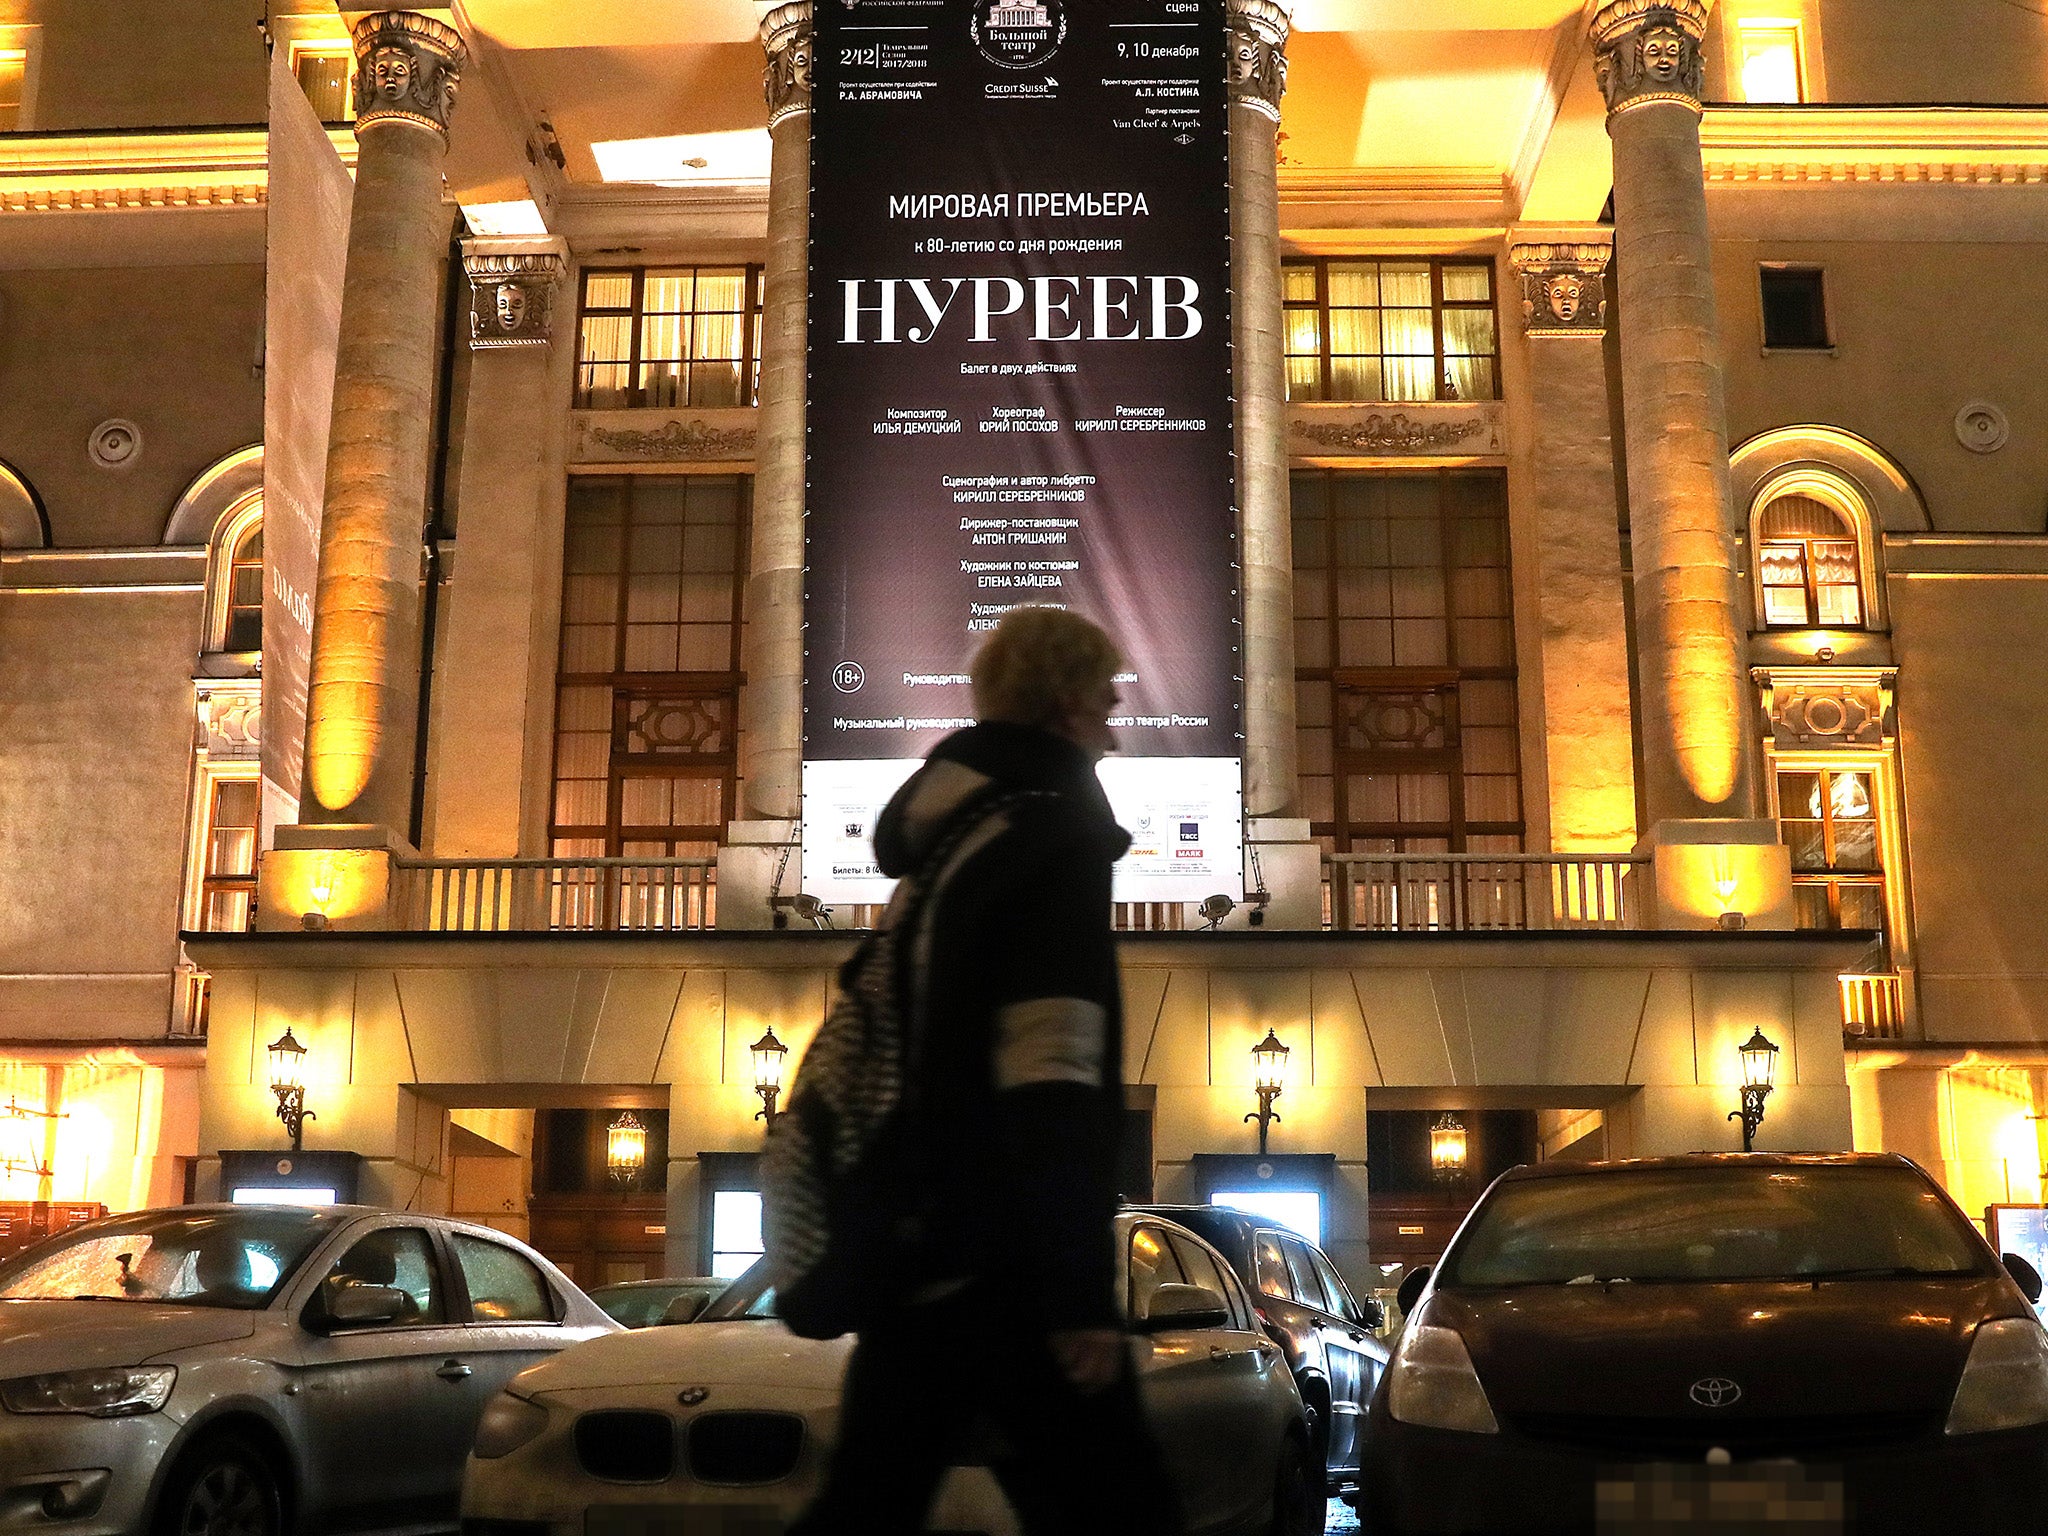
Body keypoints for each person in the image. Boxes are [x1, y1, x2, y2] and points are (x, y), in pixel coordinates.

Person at [789, 607, 1181, 1536]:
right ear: (1065, 704)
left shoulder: (951, 846)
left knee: (867, 1507)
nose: (1116, 720)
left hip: (924, 1240)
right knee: (1121, 1511)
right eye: (1105, 696)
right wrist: (1078, 1294)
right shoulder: (1052, 839)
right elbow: (1052, 1071)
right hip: (1004, 1259)